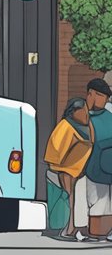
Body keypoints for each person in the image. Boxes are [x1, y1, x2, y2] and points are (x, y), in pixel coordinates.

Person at [45, 97, 96, 240]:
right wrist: (58, 169)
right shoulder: (66, 126)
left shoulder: (86, 127)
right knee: (71, 199)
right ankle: (68, 230)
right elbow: (55, 150)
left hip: (80, 171)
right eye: (83, 111)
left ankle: (75, 229)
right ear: (73, 112)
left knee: (78, 200)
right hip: (66, 170)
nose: (86, 114)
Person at [82, 78, 112, 240]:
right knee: (96, 200)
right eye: (100, 95)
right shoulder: (82, 115)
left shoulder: (109, 116)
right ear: (90, 94)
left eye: (105, 97)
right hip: (93, 167)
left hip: (108, 166)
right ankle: (96, 231)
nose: (104, 100)